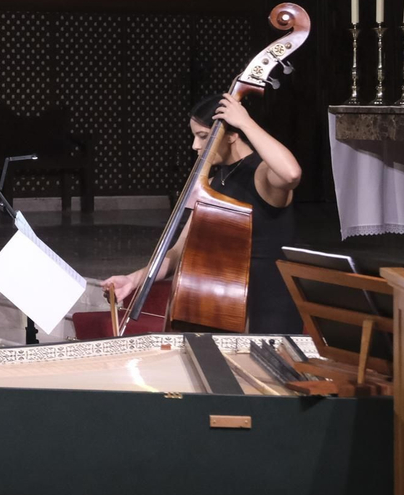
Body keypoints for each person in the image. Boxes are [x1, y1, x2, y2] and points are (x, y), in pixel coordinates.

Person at [100, 93, 303, 335]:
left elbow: (291, 174)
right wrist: (135, 279)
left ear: (232, 134)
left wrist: (245, 122)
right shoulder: (214, 181)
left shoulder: (261, 174)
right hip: (224, 304)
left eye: (203, 137)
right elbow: (179, 251)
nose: (195, 146)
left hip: (266, 305)